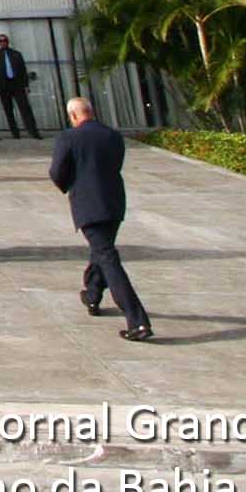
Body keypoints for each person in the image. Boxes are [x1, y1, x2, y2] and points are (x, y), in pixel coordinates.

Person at [49, 96, 152, 342]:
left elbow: (57, 172)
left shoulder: (69, 137)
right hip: (114, 202)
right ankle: (93, 293)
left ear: (74, 116)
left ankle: (137, 320)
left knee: (108, 259)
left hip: (89, 204)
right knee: (102, 251)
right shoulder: (113, 135)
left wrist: (69, 185)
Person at [0, 32, 41, 139]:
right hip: (4, 85)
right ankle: (15, 132)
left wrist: (26, 85)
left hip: (17, 84)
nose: (3, 43)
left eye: (5, 41)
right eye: (1, 41)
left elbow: (22, 70)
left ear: (8, 42)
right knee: (8, 109)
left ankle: (33, 131)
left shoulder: (16, 54)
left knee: (25, 108)